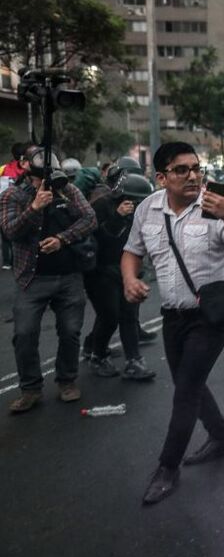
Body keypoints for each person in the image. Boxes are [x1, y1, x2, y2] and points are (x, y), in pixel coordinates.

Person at [122, 142, 224, 505]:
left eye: (196, 168)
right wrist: (130, 280)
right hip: (172, 314)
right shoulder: (148, 209)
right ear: (161, 177)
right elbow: (132, 251)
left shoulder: (215, 204)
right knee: (187, 381)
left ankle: (168, 467)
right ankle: (223, 438)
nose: (193, 175)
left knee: (186, 389)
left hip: (212, 315)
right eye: (182, 170)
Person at [1, 148, 97, 413]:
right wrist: (34, 208)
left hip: (68, 276)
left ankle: (67, 381)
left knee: (70, 331)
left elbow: (90, 219)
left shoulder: (66, 190)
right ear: (27, 170)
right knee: (24, 334)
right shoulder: (13, 195)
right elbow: (10, 232)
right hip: (31, 278)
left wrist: (62, 239)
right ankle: (30, 389)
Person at [86, 173, 157, 380]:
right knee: (109, 316)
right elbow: (97, 239)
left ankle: (134, 361)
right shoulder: (101, 206)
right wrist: (117, 217)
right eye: (136, 200)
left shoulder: (140, 212)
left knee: (129, 316)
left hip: (128, 269)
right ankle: (97, 355)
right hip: (101, 270)